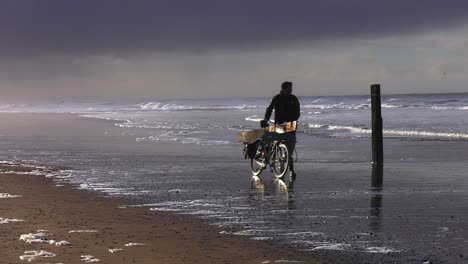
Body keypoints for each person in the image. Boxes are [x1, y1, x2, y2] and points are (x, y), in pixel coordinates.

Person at [260, 81, 300, 183]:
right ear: (283, 89)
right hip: (278, 125)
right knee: (266, 138)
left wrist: (291, 121)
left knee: (289, 150)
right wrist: (266, 119)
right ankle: (265, 157)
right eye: (289, 89)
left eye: (291, 89)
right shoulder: (277, 98)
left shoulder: (294, 99)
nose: (291, 91)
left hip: (291, 126)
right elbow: (269, 110)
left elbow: (297, 113)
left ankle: (291, 171)